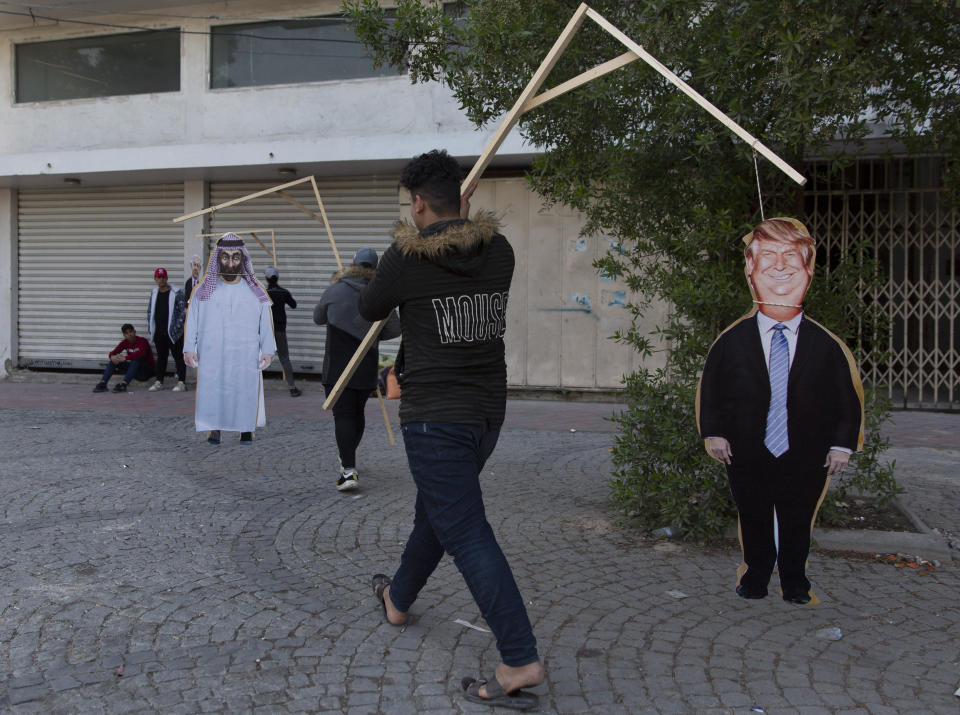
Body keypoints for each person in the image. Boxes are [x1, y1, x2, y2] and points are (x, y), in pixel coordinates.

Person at [359, 149, 544, 710]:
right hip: (487, 413)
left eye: (409, 207)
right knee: (438, 515)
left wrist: (394, 270)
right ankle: (398, 597)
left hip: (437, 416)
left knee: (463, 529)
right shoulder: (501, 250)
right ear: (462, 198)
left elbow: (371, 306)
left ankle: (518, 659)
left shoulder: (404, 259)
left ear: (418, 202)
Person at [697, 217, 864, 605]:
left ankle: (795, 583)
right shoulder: (731, 342)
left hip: (806, 452)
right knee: (753, 517)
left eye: (791, 256)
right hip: (745, 450)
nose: (781, 265)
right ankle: (754, 579)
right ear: (750, 268)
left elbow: (846, 400)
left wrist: (842, 446)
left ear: (807, 269)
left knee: (796, 521)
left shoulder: (826, 346)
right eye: (768, 255)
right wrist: (714, 432)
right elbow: (713, 391)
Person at [313, 248, 400, 491]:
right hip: (365, 365)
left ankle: (348, 469)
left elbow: (318, 317)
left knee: (343, 415)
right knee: (357, 412)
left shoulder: (335, 289)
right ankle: (348, 458)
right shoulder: (380, 294)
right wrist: (371, 331)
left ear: (352, 264)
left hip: (337, 365)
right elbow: (395, 329)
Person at [183, 234, 276, 445]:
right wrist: (189, 349)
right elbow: (193, 322)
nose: (231, 262)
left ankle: (245, 429)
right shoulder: (203, 291)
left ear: (242, 259)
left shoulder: (255, 291)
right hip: (212, 353)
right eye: (225, 257)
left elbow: (265, 324)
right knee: (213, 391)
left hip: (245, 354)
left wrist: (268, 351)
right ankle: (214, 430)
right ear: (218, 259)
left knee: (243, 390)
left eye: (236, 257)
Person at [147, 267, 187, 392]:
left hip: (173, 333)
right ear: (155, 279)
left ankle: (181, 382)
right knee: (161, 357)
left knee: (178, 357)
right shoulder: (154, 293)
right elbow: (150, 311)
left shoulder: (176, 292)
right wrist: (151, 326)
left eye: (163, 277)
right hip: (159, 332)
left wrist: (177, 327)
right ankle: (159, 381)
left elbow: (183, 311)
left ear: (167, 278)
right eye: (159, 277)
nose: (161, 279)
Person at [265, 266, 303, 397]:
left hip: (266, 331)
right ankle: (292, 388)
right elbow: (294, 304)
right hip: (280, 330)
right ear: (277, 278)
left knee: (258, 359)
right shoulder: (283, 292)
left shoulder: (263, 293)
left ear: (266, 278)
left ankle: (252, 387)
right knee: (285, 358)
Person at [92, 323, 155, 393]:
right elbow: (113, 352)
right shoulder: (125, 343)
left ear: (134, 332)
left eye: (131, 332)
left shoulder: (142, 341)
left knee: (136, 359)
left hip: (146, 371)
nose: (129, 335)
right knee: (114, 360)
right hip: (135, 371)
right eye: (126, 333)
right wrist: (112, 357)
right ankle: (103, 384)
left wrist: (125, 358)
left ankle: (123, 385)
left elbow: (141, 354)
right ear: (124, 335)